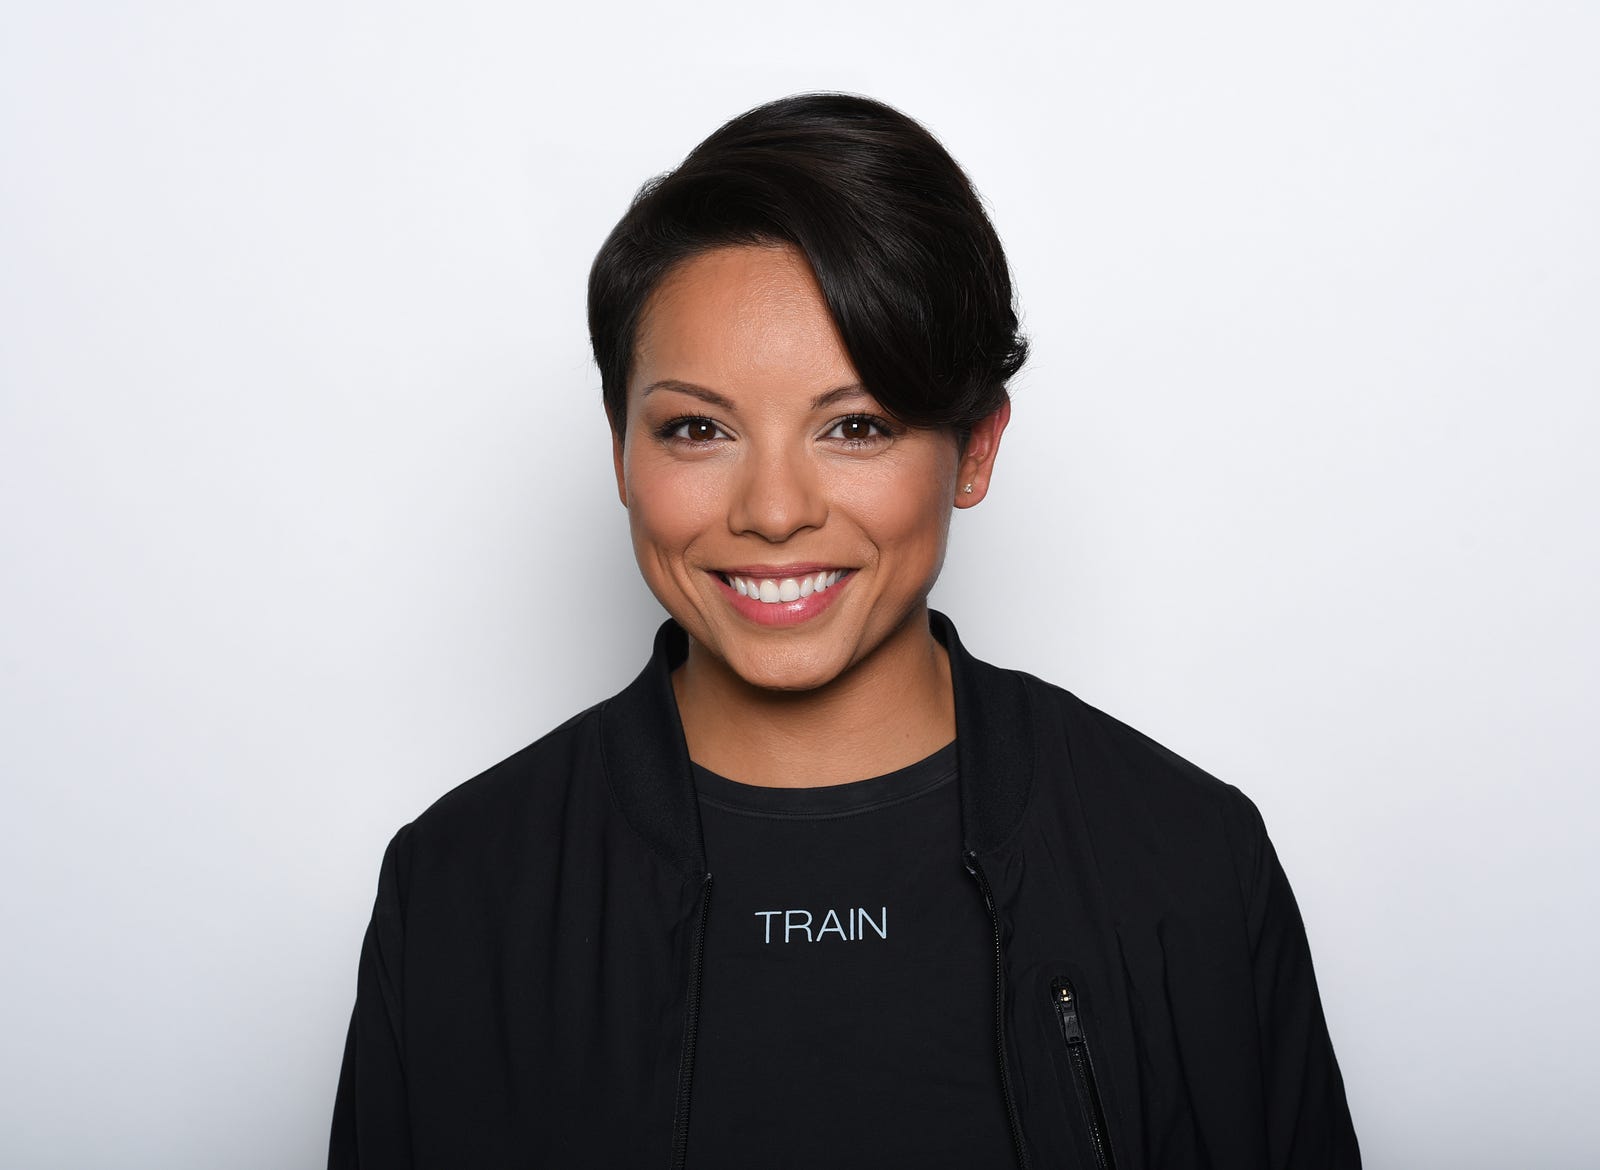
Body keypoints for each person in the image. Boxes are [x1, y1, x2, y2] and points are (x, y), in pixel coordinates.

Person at [329, 93, 1360, 1169]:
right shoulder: (457, 888)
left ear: (974, 449)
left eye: (856, 426)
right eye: (697, 428)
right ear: (621, 448)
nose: (774, 512)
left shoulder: (1190, 864)